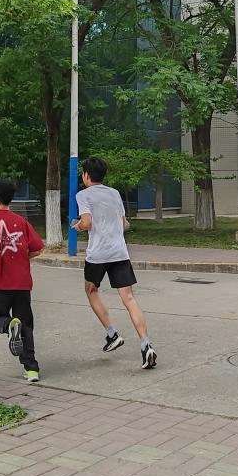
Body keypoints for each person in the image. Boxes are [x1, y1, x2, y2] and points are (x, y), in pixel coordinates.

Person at [72, 156, 157, 369]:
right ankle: (146, 345)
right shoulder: (115, 193)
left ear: (86, 175)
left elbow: (87, 222)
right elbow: (123, 223)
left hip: (98, 254)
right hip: (119, 252)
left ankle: (112, 334)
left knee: (91, 290)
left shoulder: (83, 195)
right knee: (129, 298)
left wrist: (78, 226)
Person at [0, 180, 44, 383]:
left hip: (0, 282)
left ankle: (9, 326)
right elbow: (38, 249)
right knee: (26, 325)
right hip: (22, 283)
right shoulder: (21, 221)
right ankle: (32, 370)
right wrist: (23, 256)